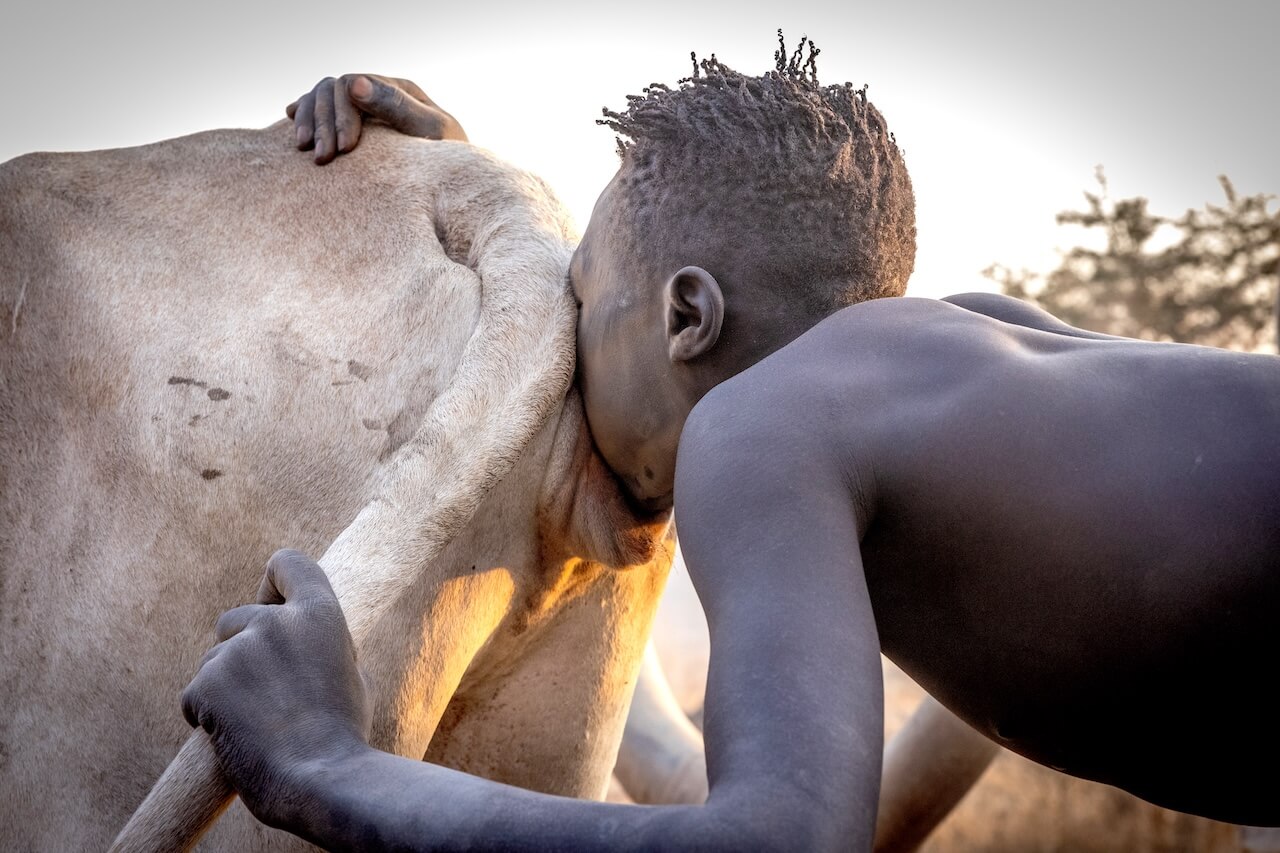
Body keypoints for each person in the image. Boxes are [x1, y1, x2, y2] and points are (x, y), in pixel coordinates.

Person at [181, 40, 1280, 851]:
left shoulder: (758, 425)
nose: (558, 338)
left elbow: (783, 841)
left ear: (686, 318)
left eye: (574, 296)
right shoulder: (973, 358)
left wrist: (324, 762)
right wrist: (464, 194)